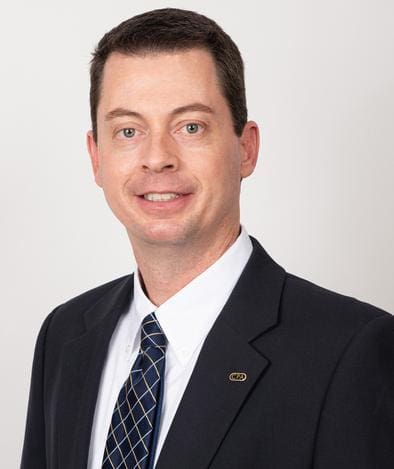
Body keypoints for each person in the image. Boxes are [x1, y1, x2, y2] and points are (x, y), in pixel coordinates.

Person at [21, 8, 394, 469]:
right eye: (128, 131)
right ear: (96, 157)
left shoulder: (350, 351)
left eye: (190, 126)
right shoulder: (65, 335)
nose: (157, 159)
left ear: (246, 148)